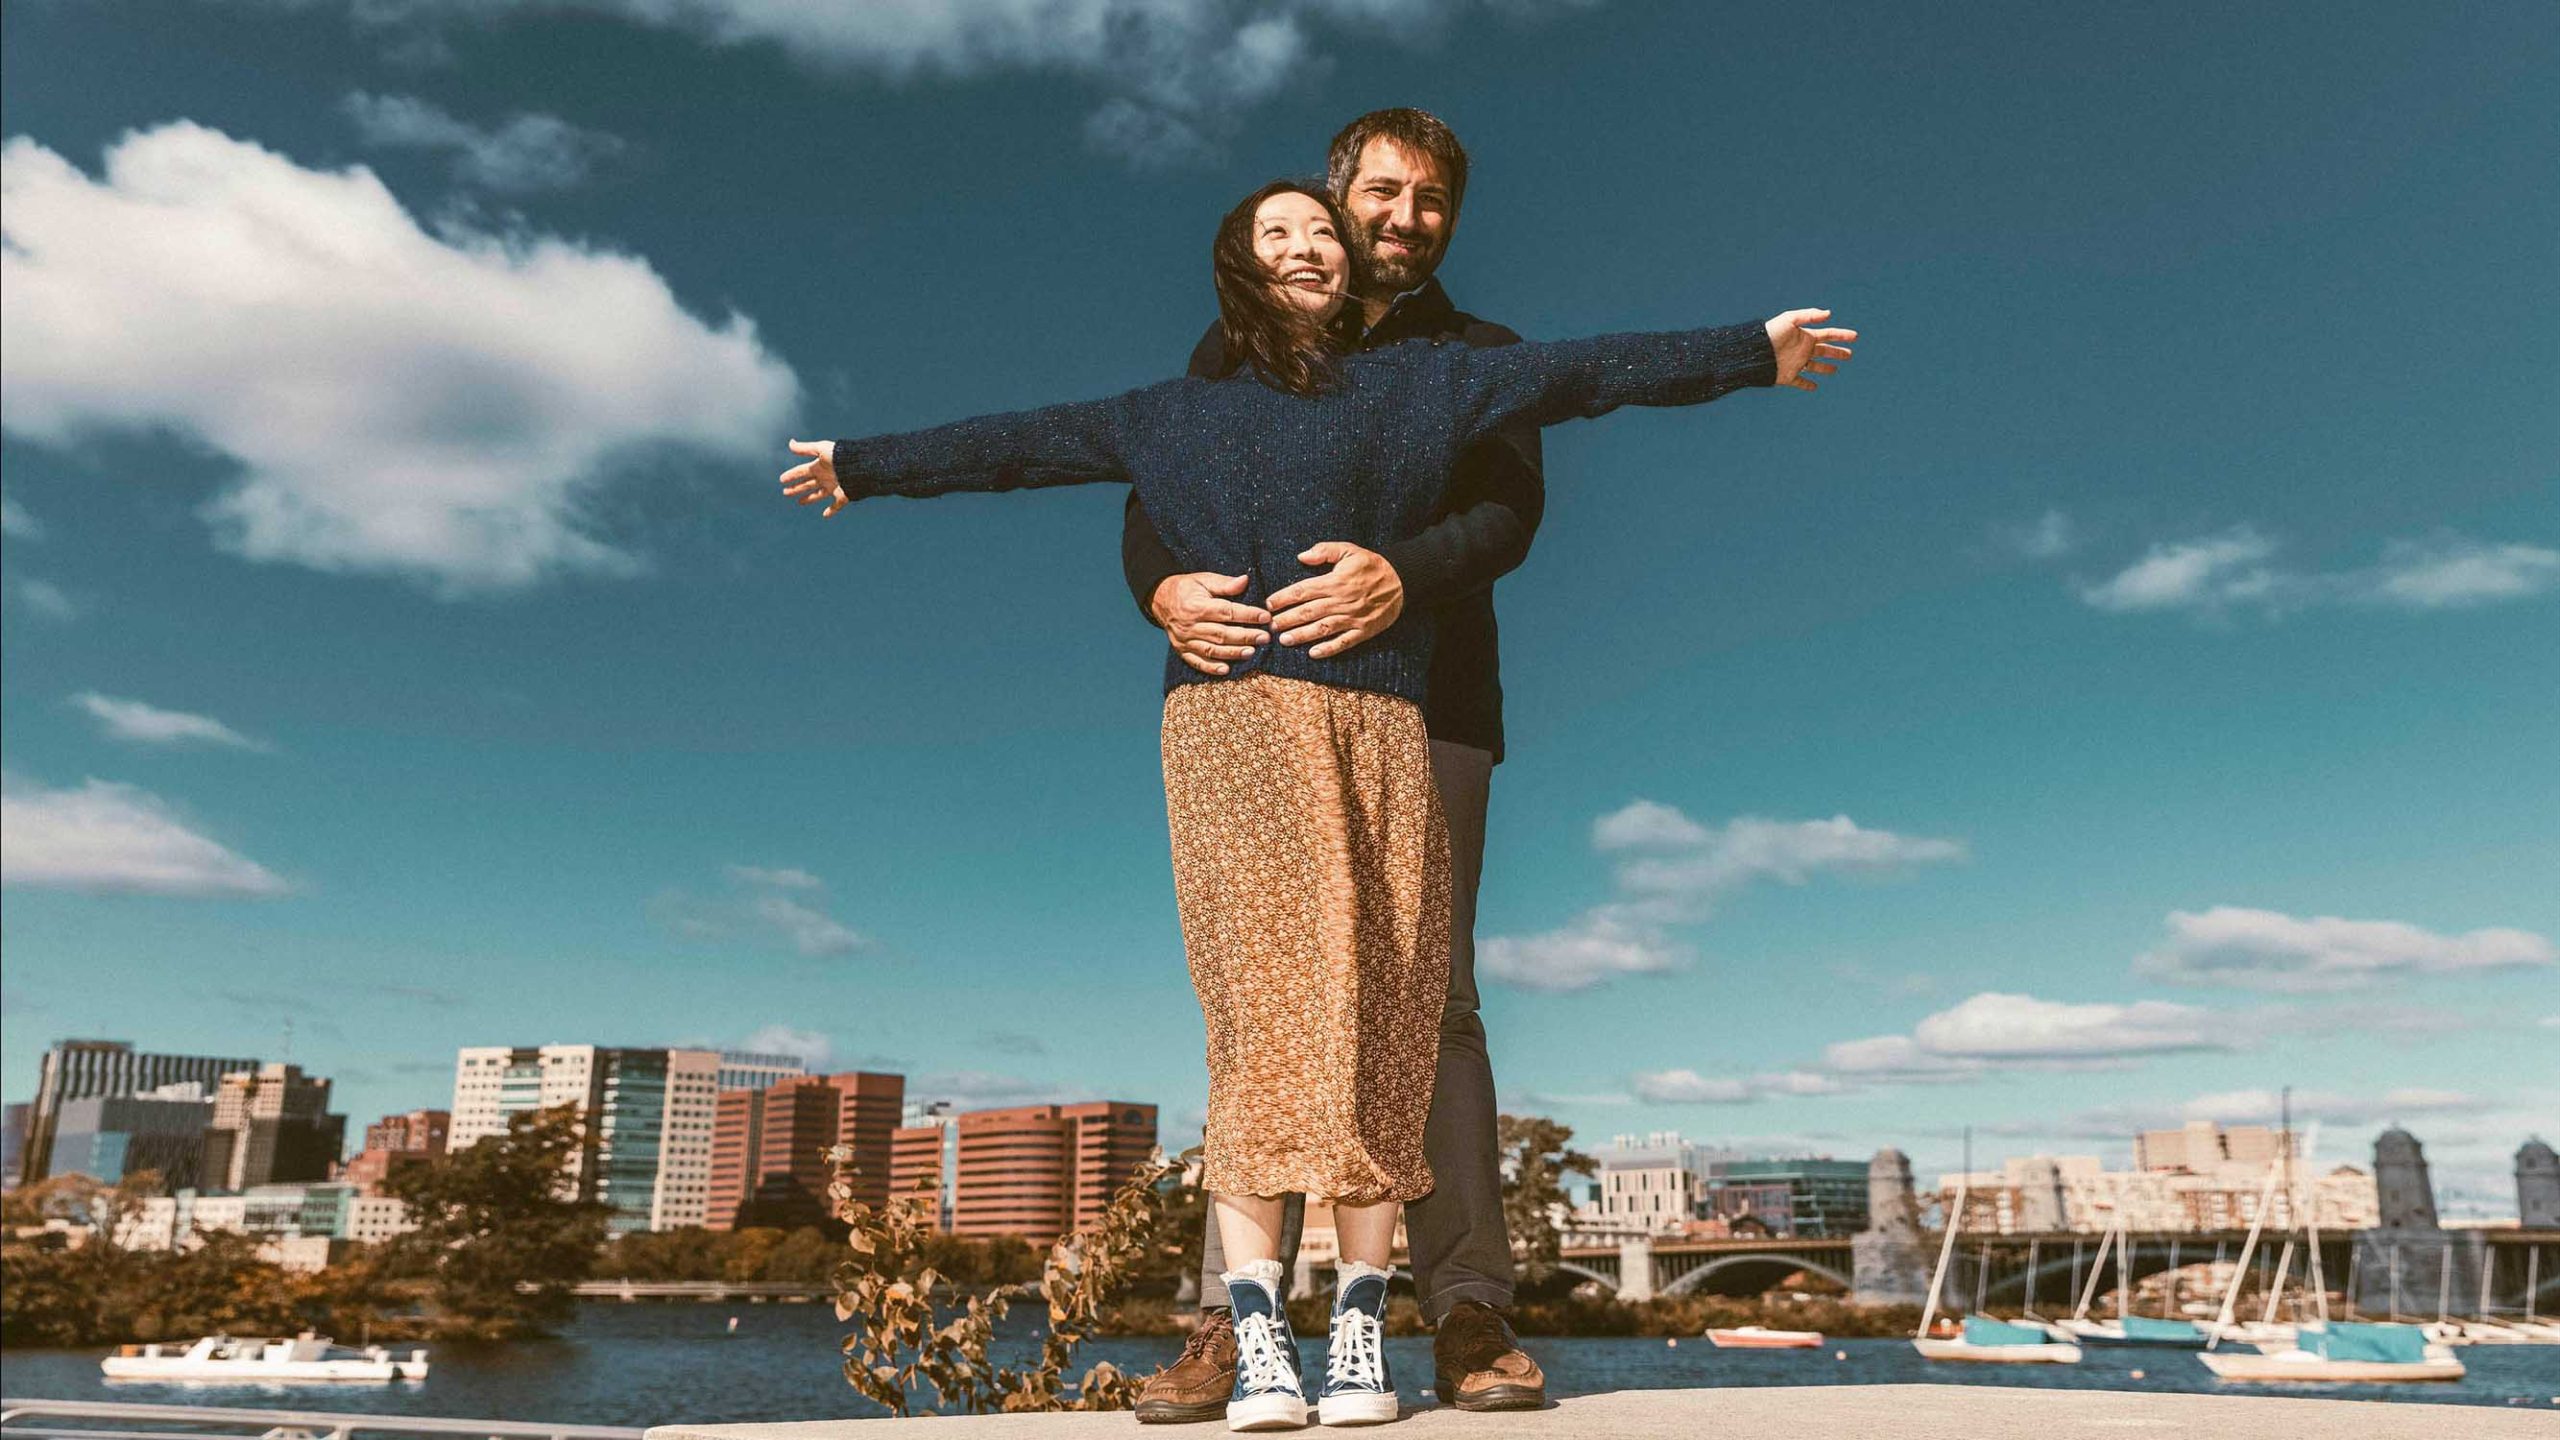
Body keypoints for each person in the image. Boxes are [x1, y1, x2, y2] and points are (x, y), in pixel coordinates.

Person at [780, 179, 1851, 1431]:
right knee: (1260, 1022)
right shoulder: (1168, 411)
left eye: (1322, 234)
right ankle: (1250, 1330)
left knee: (1391, 1006)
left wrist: (1750, 354)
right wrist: (861, 465)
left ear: (1351, 268)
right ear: (1238, 265)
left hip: (1388, 720)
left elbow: (1592, 372)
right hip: (1231, 727)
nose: (1306, 247)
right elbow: (1012, 446)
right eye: (1276, 233)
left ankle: (1357, 1328)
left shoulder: (1434, 381)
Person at [1127, 108, 1548, 1423]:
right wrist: (1161, 592)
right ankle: (1232, 1322)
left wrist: (1401, 574)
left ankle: (1467, 1315)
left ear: (1450, 220)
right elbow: (1151, 496)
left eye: (1432, 199)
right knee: (1265, 1004)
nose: (1404, 215)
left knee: (1432, 1005)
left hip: (1431, 714)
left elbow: (1509, 513)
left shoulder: (1484, 358)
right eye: (1382, 190)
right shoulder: (1241, 349)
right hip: (1257, 705)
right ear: (1334, 197)